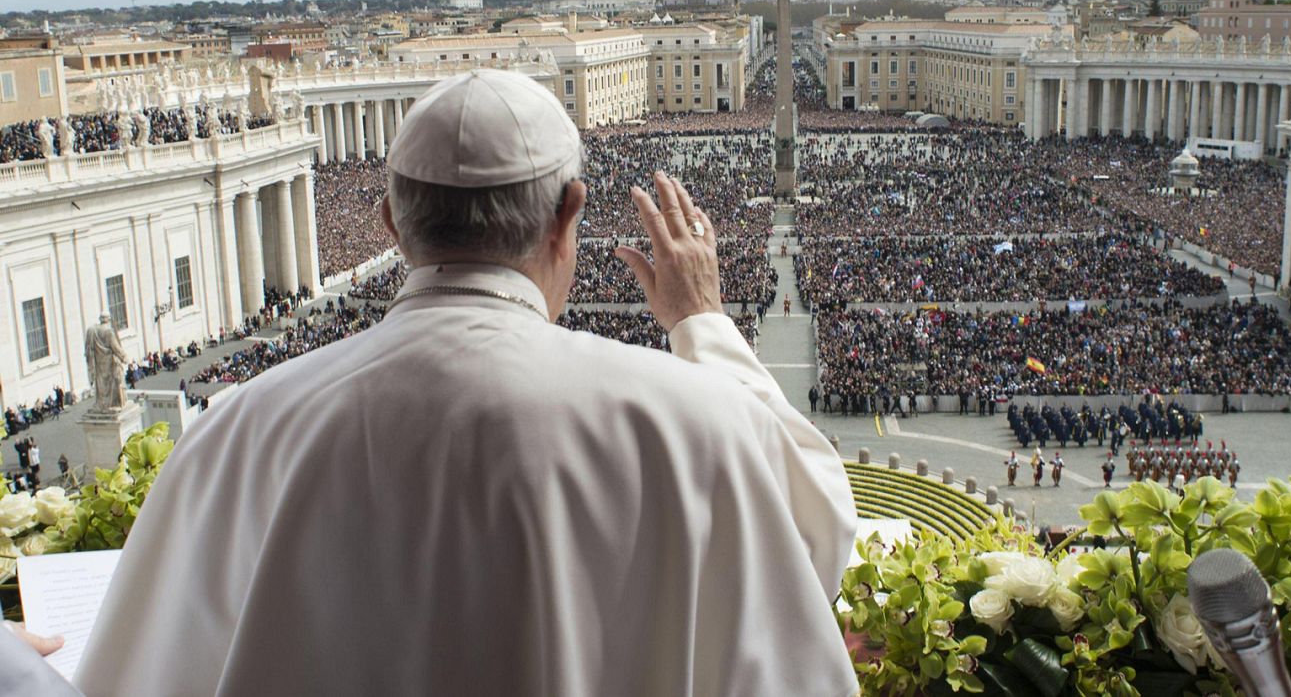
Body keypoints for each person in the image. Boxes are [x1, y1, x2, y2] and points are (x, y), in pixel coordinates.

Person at [68, 71, 858, 697]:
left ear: (390, 224)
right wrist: (703, 326)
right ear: (568, 215)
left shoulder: (242, 430)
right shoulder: (692, 421)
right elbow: (819, 536)